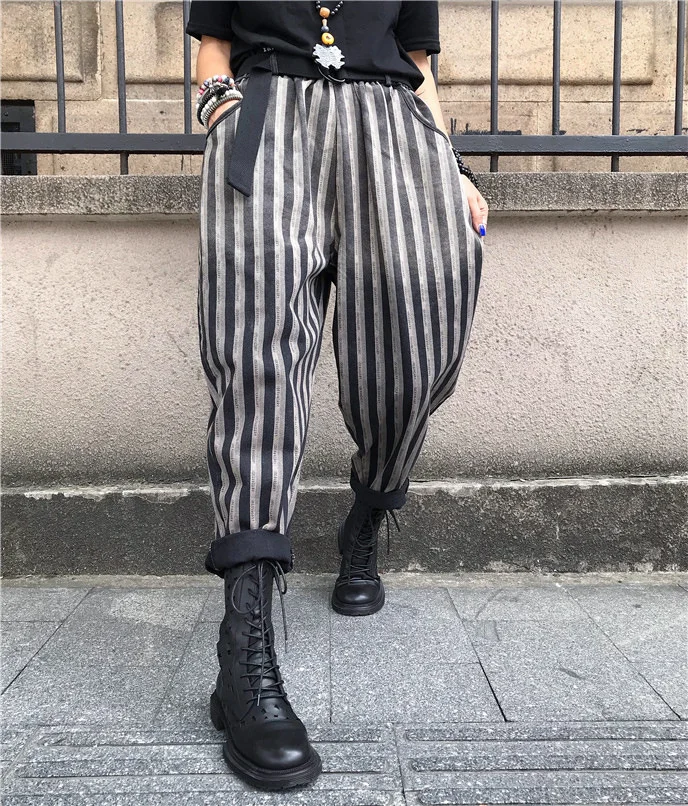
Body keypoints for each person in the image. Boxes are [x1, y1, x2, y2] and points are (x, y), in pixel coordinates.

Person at [186, 0, 488, 791]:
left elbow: (418, 70)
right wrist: (223, 116)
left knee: (413, 359)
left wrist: (451, 167)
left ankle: (370, 510)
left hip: (392, 136)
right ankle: (244, 650)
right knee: (255, 363)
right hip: (267, 125)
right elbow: (213, 46)